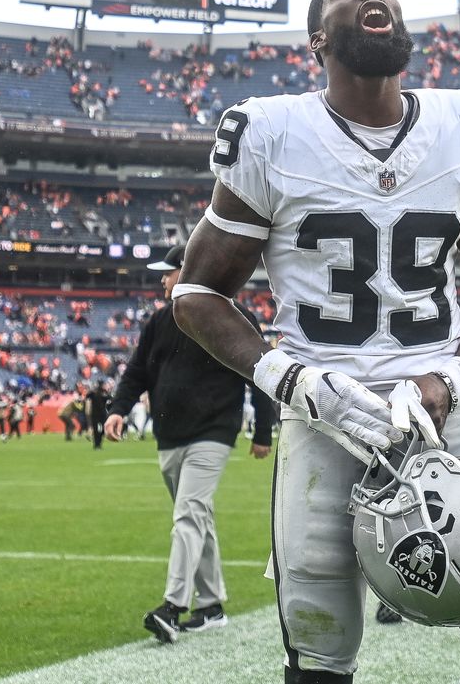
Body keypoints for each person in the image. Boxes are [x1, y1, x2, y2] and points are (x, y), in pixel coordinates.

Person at [171, 0, 460, 684]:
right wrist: (296, 380)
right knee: (319, 669)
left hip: (441, 415)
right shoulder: (271, 133)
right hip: (324, 422)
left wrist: (448, 378)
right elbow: (195, 293)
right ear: (318, 39)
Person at [105, 243, 276, 644]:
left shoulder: (233, 317)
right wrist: (118, 408)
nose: (162, 279)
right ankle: (212, 604)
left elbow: (260, 373)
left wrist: (264, 432)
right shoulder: (159, 322)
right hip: (169, 436)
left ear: (188, 270)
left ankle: (172, 606)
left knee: (187, 514)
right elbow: (136, 371)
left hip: (213, 433)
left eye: (167, 272)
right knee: (198, 517)